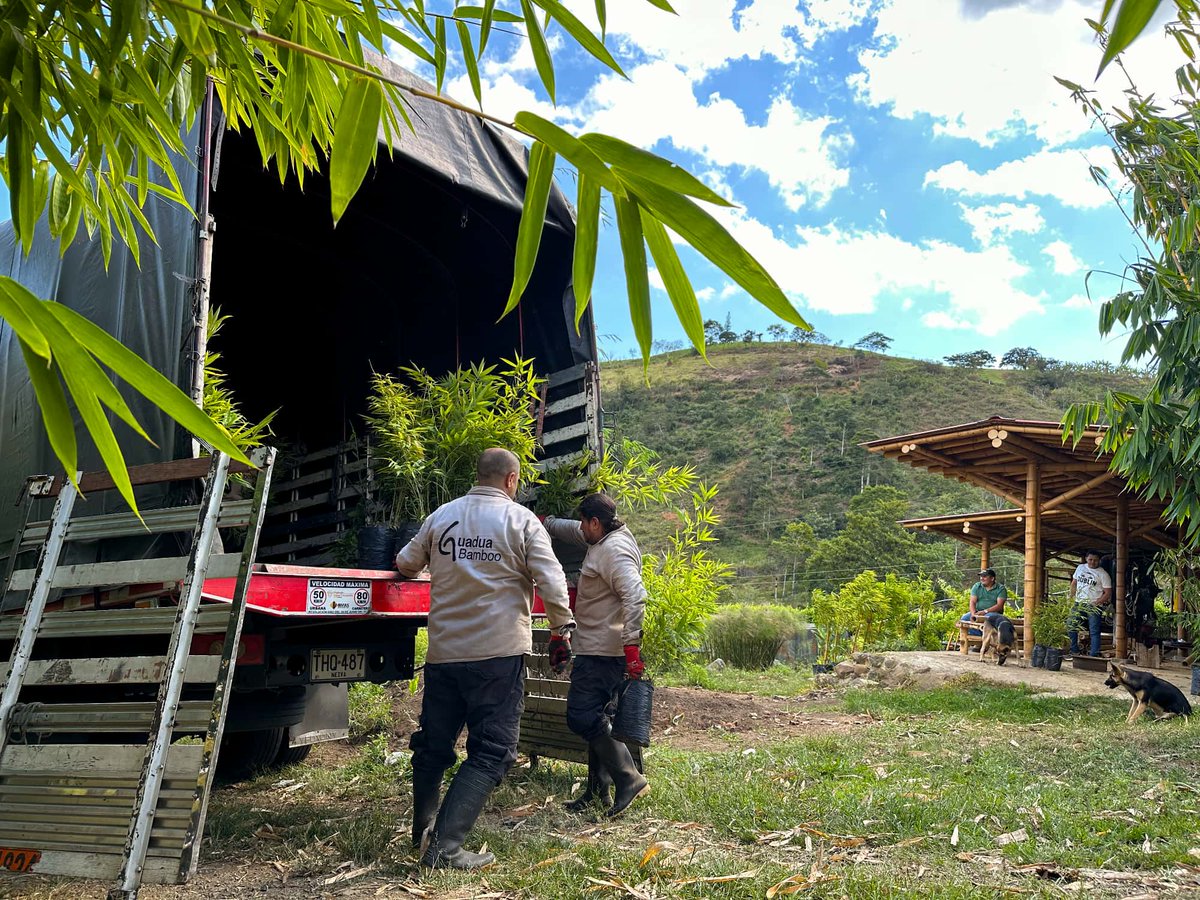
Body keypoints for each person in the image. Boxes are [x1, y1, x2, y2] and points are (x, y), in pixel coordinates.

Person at [395, 448, 575, 870]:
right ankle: (446, 847)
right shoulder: (521, 521)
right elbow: (551, 580)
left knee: (434, 744)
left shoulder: (442, 516)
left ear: (479, 475)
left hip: (444, 654)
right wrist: (561, 629)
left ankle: (424, 829)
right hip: (496, 655)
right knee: (493, 749)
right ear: (512, 480)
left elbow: (405, 564)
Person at [542, 492, 649, 818]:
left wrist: (632, 646)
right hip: (596, 647)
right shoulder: (602, 535)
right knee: (597, 718)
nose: (581, 530)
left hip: (603, 651)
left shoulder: (614, 552)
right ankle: (597, 790)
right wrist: (545, 524)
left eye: (584, 524)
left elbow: (635, 595)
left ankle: (628, 778)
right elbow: (573, 530)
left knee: (581, 716)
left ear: (595, 522)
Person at [1069, 550, 1112, 657]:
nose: (1092, 562)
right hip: (1079, 603)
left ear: (1099, 561)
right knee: (1070, 625)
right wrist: (1071, 596)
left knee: (1094, 630)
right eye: (1090, 560)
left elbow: (1108, 592)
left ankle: (1094, 654)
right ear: (1086, 559)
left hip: (1094, 605)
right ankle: (1074, 650)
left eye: (1095, 560)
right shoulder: (1080, 568)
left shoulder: (1103, 574)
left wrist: (1097, 602)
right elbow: (1074, 583)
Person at [960, 568, 1008, 635]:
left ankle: (985, 638)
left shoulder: (1000, 588)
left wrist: (985, 611)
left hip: (993, 613)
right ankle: (977, 637)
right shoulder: (977, 586)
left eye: (985, 576)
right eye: (981, 576)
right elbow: (972, 602)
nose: (982, 578)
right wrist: (973, 614)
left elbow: (999, 606)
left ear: (992, 578)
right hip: (978, 612)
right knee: (964, 618)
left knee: (987, 619)